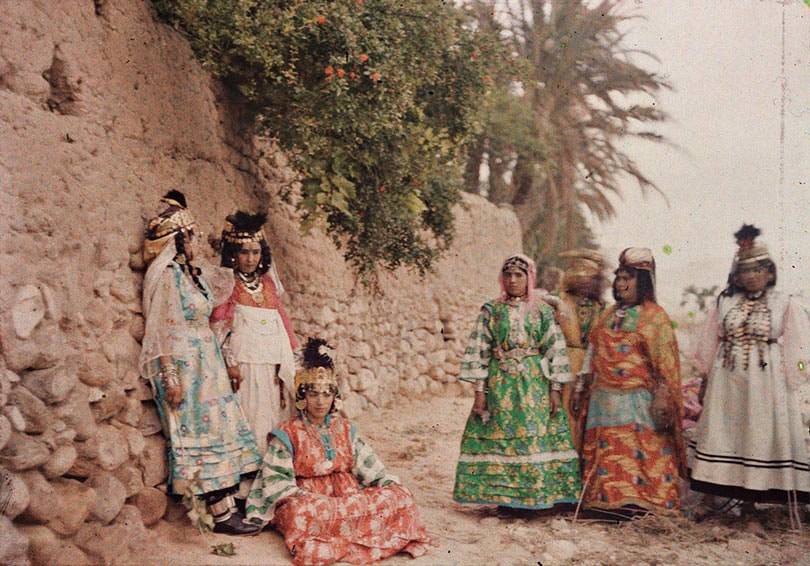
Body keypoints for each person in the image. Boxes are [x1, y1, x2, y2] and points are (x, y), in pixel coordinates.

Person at [138, 191, 262, 535]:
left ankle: (226, 506)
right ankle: (218, 515)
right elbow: (160, 330)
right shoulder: (165, 277)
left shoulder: (189, 274)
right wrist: (170, 378)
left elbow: (213, 324)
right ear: (177, 240)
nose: (194, 240)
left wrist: (229, 359)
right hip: (183, 369)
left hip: (207, 366)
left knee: (218, 431)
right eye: (189, 235)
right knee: (198, 436)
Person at [245, 338, 430, 565]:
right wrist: (310, 499)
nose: (320, 401)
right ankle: (355, 533)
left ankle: (346, 533)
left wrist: (388, 484)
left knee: (400, 496)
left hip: (348, 496)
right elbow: (276, 482)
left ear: (334, 397)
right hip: (308, 500)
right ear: (303, 397)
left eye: (326, 394)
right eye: (313, 394)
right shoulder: (288, 432)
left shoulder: (344, 428)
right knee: (301, 515)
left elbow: (370, 466)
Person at [689, 225, 810, 520]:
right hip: (726, 379)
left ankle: (749, 508)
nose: (750, 276)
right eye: (744, 271)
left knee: (755, 435)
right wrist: (704, 377)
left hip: (765, 382)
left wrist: (793, 379)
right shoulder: (724, 301)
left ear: (770, 272)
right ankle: (708, 499)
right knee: (720, 432)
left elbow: (799, 347)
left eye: (757, 270)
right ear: (736, 274)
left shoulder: (785, 302)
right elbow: (709, 339)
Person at [453, 254, 581, 511]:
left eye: (519, 275)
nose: (512, 280)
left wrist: (555, 390)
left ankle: (533, 499)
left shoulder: (543, 311)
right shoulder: (491, 310)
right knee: (499, 432)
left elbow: (554, 349)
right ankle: (504, 500)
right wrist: (480, 393)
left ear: (529, 278)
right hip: (499, 382)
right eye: (508, 275)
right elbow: (480, 350)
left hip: (533, 384)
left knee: (534, 435)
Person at [576, 248, 685, 516]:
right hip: (603, 399)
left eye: (629, 278)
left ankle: (641, 505)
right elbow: (592, 351)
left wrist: (663, 396)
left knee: (639, 451)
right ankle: (603, 504)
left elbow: (666, 364)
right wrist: (581, 386)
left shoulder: (655, 317)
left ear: (644, 282)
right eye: (619, 278)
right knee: (607, 450)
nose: (621, 284)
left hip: (639, 400)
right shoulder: (608, 315)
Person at [211, 211, 298, 456]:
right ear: (233, 255)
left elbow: (282, 323)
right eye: (244, 252)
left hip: (271, 367)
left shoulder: (268, 285)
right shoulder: (227, 283)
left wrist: (292, 358)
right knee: (249, 418)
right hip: (244, 367)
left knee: (273, 418)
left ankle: (272, 475)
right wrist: (230, 363)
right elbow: (219, 325)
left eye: (255, 252)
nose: (250, 259)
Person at [541, 249, 607, 453]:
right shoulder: (557, 300)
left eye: (590, 274)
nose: (584, 277)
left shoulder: (601, 306)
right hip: (560, 362)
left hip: (589, 366)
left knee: (581, 418)